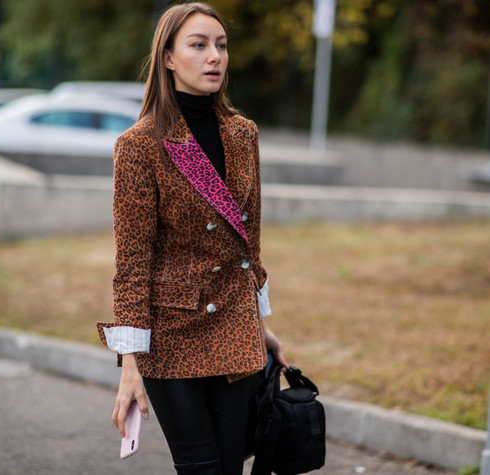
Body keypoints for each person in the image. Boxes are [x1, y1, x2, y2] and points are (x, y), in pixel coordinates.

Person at [96, 3, 288, 474]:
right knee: (201, 468)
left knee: (231, 466)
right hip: (171, 336)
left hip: (236, 329)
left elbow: (249, 244)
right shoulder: (140, 145)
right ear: (168, 57)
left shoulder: (243, 133)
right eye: (199, 45)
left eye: (221, 45)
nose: (214, 57)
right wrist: (129, 363)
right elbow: (133, 262)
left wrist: (260, 325)